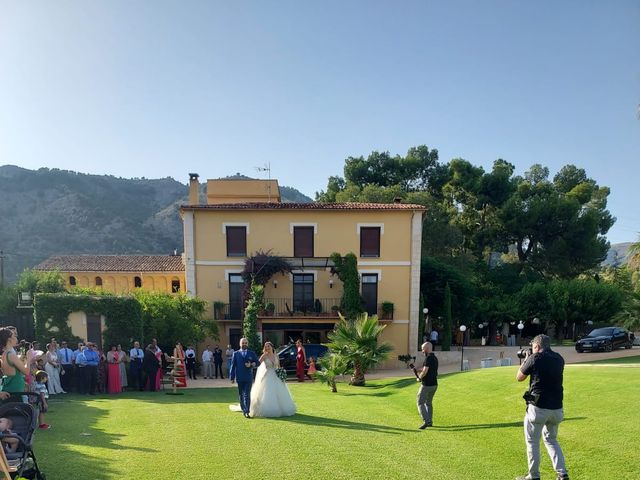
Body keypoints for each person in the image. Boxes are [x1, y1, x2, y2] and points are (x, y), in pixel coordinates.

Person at [515, 334, 569, 480]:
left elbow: (519, 377)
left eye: (533, 347)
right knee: (551, 440)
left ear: (537, 346)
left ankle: (534, 476)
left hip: (538, 407)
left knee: (532, 441)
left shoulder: (534, 358)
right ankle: (562, 473)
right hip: (557, 408)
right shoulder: (559, 359)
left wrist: (526, 360)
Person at [249, 342, 296, 418]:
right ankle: (269, 410)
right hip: (268, 376)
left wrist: (281, 375)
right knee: (268, 393)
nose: (267, 348)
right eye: (266, 347)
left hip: (276, 376)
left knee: (280, 393)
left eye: (268, 346)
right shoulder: (264, 356)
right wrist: (251, 364)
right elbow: (257, 363)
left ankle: (282, 409)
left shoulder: (276, 356)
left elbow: (279, 367)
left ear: (272, 347)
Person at [229, 338, 260, 418]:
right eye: (243, 343)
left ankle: (247, 411)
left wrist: (252, 364)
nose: (244, 344)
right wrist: (232, 377)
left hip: (248, 377)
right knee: (241, 394)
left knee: (247, 394)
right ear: (240, 344)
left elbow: (258, 362)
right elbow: (233, 366)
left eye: (246, 343)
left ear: (247, 344)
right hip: (239, 377)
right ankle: (243, 408)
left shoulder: (251, 353)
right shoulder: (236, 354)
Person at [0, 328, 31, 397]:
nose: (16, 338)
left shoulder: (4, 354)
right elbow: (26, 372)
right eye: (14, 336)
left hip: (10, 390)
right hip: (15, 392)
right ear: (9, 339)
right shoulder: (11, 355)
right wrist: (29, 358)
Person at [417, 341, 438, 430]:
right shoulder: (435, 358)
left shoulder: (428, 358)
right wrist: (417, 370)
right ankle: (430, 422)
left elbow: (425, 371)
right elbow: (427, 369)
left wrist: (419, 378)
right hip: (434, 384)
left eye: (422, 349)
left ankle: (426, 421)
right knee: (428, 403)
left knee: (420, 402)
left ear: (426, 348)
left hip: (426, 385)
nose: (422, 351)